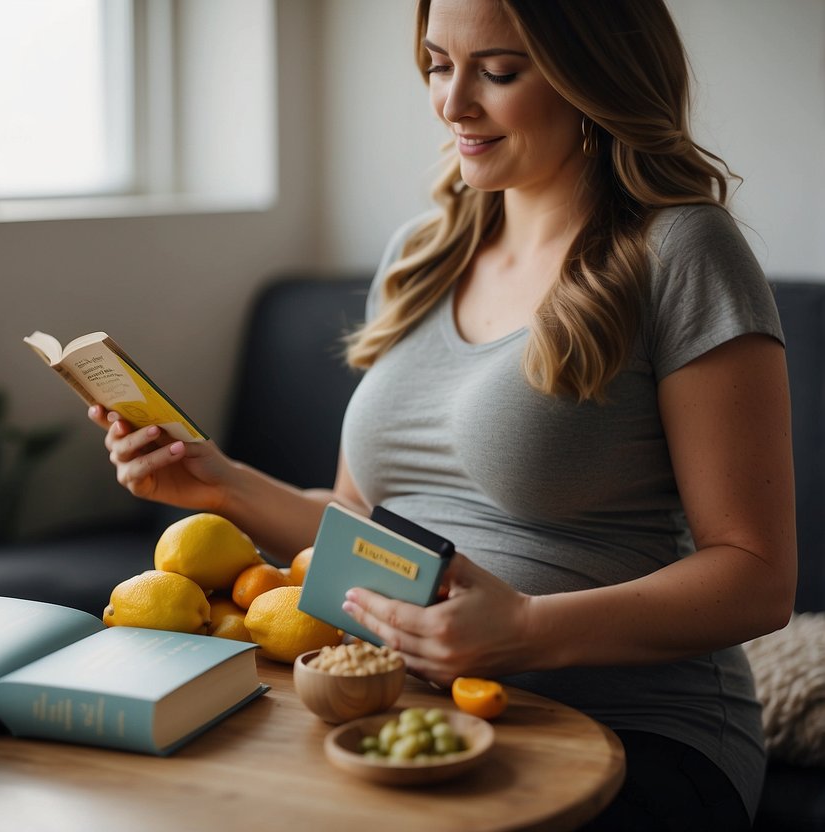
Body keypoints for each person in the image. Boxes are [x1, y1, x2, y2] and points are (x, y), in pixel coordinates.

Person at [89, 0, 796, 827]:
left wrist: (526, 629)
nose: (452, 102)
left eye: (497, 72)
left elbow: (754, 576)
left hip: (634, 732)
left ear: (595, 78)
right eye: (435, 63)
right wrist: (222, 484)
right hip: (410, 711)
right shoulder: (422, 255)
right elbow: (361, 530)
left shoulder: (682, 251)